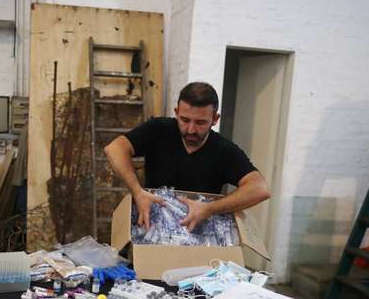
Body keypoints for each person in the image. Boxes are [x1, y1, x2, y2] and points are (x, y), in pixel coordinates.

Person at [103, 81, 270, 232]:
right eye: (184, 120)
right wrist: (138, 192)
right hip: (152, 228)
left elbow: (259, 188)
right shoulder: (158, 130)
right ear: (176, 112)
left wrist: (209, 208)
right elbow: (115, 149)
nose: (191, 130)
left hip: (198, 233)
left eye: (200, 122)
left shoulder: (224, 150)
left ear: (215, 119)